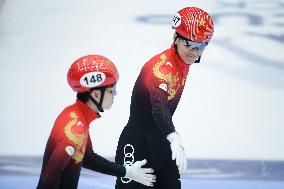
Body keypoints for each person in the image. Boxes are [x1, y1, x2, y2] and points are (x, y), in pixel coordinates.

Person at [115, 7, 214, 189]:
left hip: (161, 145)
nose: (194, 52)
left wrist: (168, 138)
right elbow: (158, 105)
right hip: (138, 144)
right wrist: (173, 136)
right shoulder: (161, 68)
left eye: (200, 46)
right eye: (189, 44)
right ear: (175, 38)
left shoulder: (182, 61)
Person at [36, 54, 156, 189]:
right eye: (111, 90)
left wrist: (127, 172)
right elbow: (49, 179)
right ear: (96, 94)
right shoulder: (75, 129)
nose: (115, 94)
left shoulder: (76, 116)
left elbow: (88, 158)